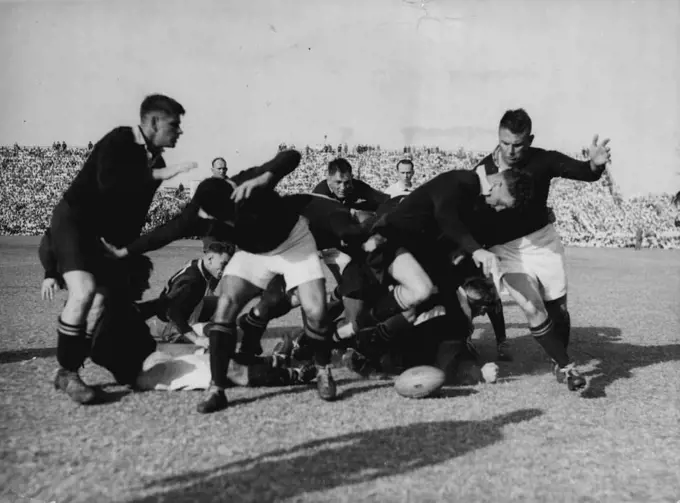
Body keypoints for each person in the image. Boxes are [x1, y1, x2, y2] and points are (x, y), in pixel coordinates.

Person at [102, 150, 339, 414]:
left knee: (316, 310)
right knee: (226, 306)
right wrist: (125, 251)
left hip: (293, 242)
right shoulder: (200, 213)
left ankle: (323, 369)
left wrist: (267, 177)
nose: (227, 222)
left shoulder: (248, 181)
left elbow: (291, 156)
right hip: (254, 253)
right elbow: (165, 233)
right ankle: (217, 388)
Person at [46, 94, 196, 404]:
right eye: (174, 124)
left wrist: (124, 251)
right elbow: (108, 182)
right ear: (153, 122)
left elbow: (133, 212)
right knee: (84, 290)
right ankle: (67, 372)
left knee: (101, 300)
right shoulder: (120, 139)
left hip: (104, 236)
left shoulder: (159, 161)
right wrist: (156, 175)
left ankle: (69, 371)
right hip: (75, 221)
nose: (179, 131)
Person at [475, 108, 611, 391]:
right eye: (505, 143)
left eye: (518, 144)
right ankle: (566, 365)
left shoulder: (544, 159)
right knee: (531, 306)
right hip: (506, 250)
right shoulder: (482, 171)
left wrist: (595, 165)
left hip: (543, 243)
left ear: (530, 139)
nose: (511, 151)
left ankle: (557, 356)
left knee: (557, 310)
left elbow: (584, 172)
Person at [140, 238, 234, 347]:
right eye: (224, 264)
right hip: (172, 324)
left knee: (225, 304)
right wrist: (197, 339)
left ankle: (202, 323)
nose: (226, 269)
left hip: (189, 310)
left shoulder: (199, 265)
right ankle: (178, 332)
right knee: (218, 332)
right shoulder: (191, 280)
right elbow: (172, 312)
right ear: (210, 259)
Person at [312, 158, 389, 212]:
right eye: (338, 182)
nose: (343, 188)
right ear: (328, 178)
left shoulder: (356, 185)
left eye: (347, 183)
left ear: (351, 178)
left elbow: (384, 200)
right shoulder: (319, 195)